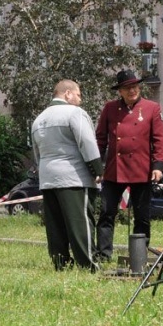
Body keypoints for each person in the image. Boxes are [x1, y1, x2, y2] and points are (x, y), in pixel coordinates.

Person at [31, 80, 104, 271]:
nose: (80, 99)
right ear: (68, 93)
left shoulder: (39, 119)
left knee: (55, 225)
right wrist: (97, 169)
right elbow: (87, 142)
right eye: (79, 95)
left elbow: (37, 153)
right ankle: (88, 264)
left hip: (48, 178)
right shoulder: (75, 113)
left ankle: (60, 263)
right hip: (73, 176)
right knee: (80, 222)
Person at [94, 70, 163, 262]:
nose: (132, 90)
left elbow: (159, 140)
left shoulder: (152, 108)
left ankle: (139, 255)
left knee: (142, 216)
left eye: (134, 86)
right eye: (127, 88)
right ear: (120, 91)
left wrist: (158, 166)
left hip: (142, 170)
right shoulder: (109, 109)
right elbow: (101, 138)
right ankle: (103, 255)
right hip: (114, 170)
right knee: (106, 214)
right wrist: (97, 165)